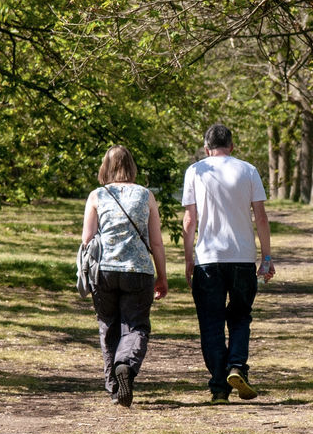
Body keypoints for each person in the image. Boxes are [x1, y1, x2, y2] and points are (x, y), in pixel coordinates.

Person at [181, 123, 274, 403]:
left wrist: (188, 260)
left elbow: (189, 220)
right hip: (243, 258)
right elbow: (261, 217)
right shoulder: (248, 170)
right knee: (240, 316)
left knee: (210, 324)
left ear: (206, 148)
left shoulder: (195, 171)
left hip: (208, 259)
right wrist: (266, 258)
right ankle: (236, 365)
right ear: (232, 146)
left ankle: (219, 387)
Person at [81, 145, 168, 407]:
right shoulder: (146, 195)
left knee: (108, 325)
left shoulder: (97, 195)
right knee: (137, 324)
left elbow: (87, 239)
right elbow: (157, 242)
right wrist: (162, 276)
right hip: (138, 270)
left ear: (105, 167)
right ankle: (126, 366)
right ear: (132, 166)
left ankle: (113, 386)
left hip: (104, 271)